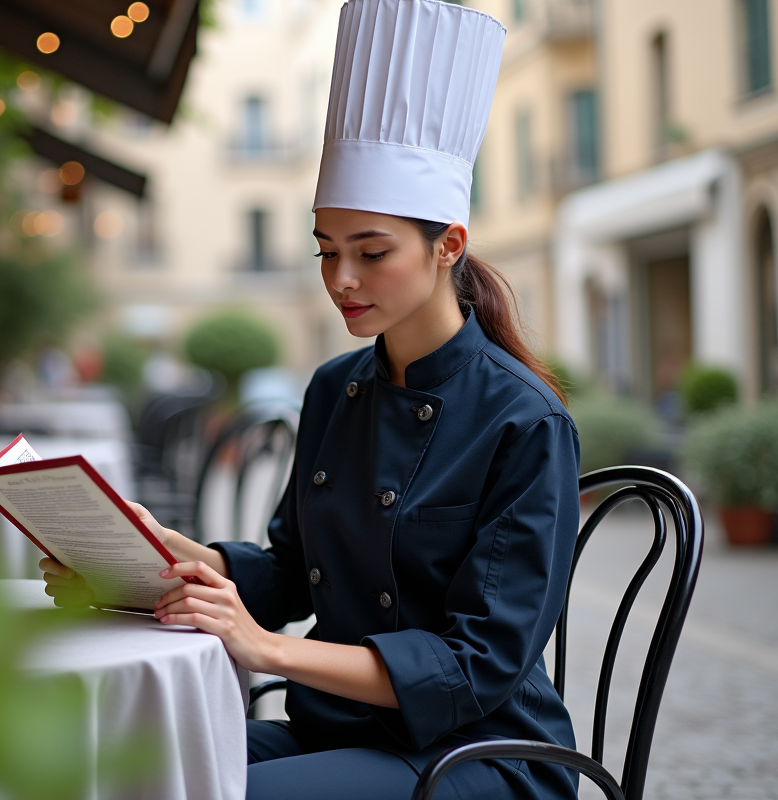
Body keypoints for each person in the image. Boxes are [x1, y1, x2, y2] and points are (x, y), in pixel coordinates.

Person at [40, 1, 581, 797]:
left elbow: (476, 668)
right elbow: (294, 571)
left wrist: (265, 650)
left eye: (371, 252)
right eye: (327, 251)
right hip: (344, 728)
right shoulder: (337, 388)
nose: (341, 281)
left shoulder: (524, 420)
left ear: (448, 246)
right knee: (111, 760)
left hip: (478, 755)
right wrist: (156, 551)